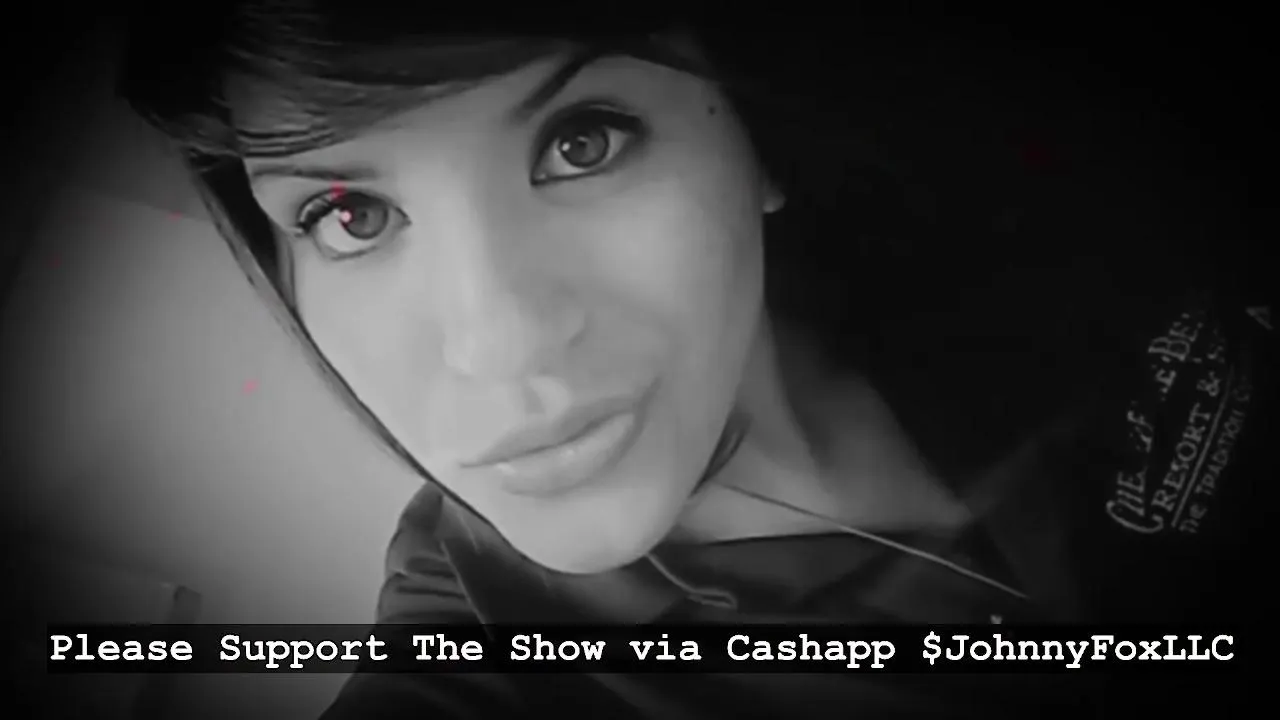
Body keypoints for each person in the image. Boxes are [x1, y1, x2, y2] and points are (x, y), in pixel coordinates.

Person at [118, 4, 1270, 717]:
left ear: (749, 135)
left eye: (581, 143)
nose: (497, 343)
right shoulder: (477, 649)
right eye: (350, 217)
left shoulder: (1008, 196)